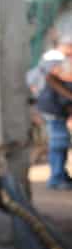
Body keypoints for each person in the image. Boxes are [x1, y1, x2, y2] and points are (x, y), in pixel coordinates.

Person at [35, 35, 72, 190]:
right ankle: (56, 178)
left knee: (60, 143)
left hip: (56, 108)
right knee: (59, 142)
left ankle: (60, 175)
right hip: (53, 108)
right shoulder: (54, 60)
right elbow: (53, 79)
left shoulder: (59, 61)